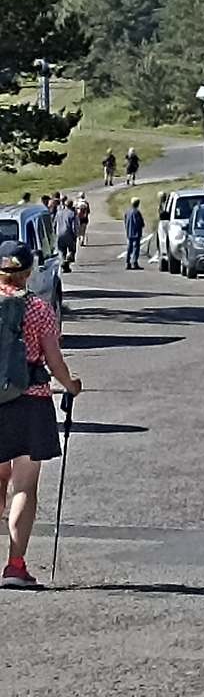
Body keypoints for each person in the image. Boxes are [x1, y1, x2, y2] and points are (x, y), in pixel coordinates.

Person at [0, 241, 83, 588]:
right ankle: (15, 566)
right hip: (30, 403)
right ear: (30, 271)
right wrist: (71, 385)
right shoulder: (38, 309)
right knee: (24, 486)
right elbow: (53, 359)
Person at [52, 199, 77, 273]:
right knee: (72, 250)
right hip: (68, 234)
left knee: (62, 250)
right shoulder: (72, 214)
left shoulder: (59, 213)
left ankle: (64, 264)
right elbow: (74, 226)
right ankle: (67, 261)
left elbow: (54, 224)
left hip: (59, 234)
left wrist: (54, 234)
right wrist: (75, 235)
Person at [123, 198, 145, 270]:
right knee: (136, 248)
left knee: (129, 248)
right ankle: (134, 262)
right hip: (136, 233)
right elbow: (140, 223)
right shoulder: (137, 213)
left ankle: (127, 262)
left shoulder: (127, 212)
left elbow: (125, 221)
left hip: (129, 232)